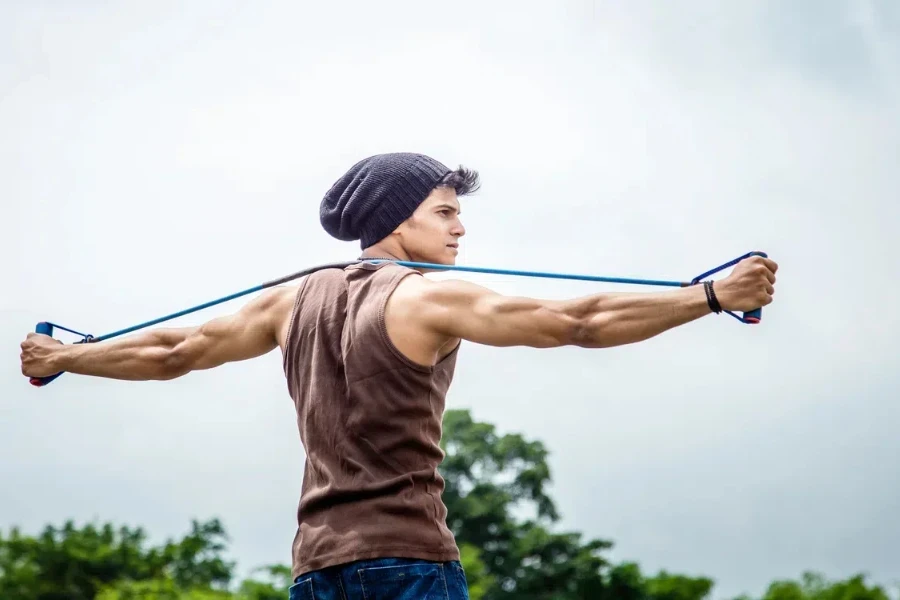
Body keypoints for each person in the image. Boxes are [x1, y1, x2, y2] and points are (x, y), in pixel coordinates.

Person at [20, 152, 778, 600]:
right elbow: (576, 323)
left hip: (317, 574)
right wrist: (709, 296)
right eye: (445, 211)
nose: (460, 227)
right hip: (409, 565)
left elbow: (172, 352)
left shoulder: (292, 300)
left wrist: (64, 358)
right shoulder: (425, 296)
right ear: (395, 220)